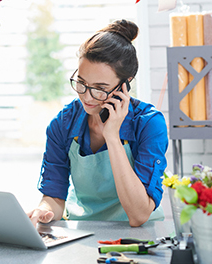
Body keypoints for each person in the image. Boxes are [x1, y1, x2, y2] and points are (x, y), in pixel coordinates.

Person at [27, 19, 168, 227]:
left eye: (100, 88)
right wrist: (44, 210)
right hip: (83, 232)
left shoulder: (149, 124)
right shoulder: (63, 124)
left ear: (125, 85)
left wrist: (112, 136)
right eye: (82, 83)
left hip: (139, 236)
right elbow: (54, 197)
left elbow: (139, 215)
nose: (87, 97)